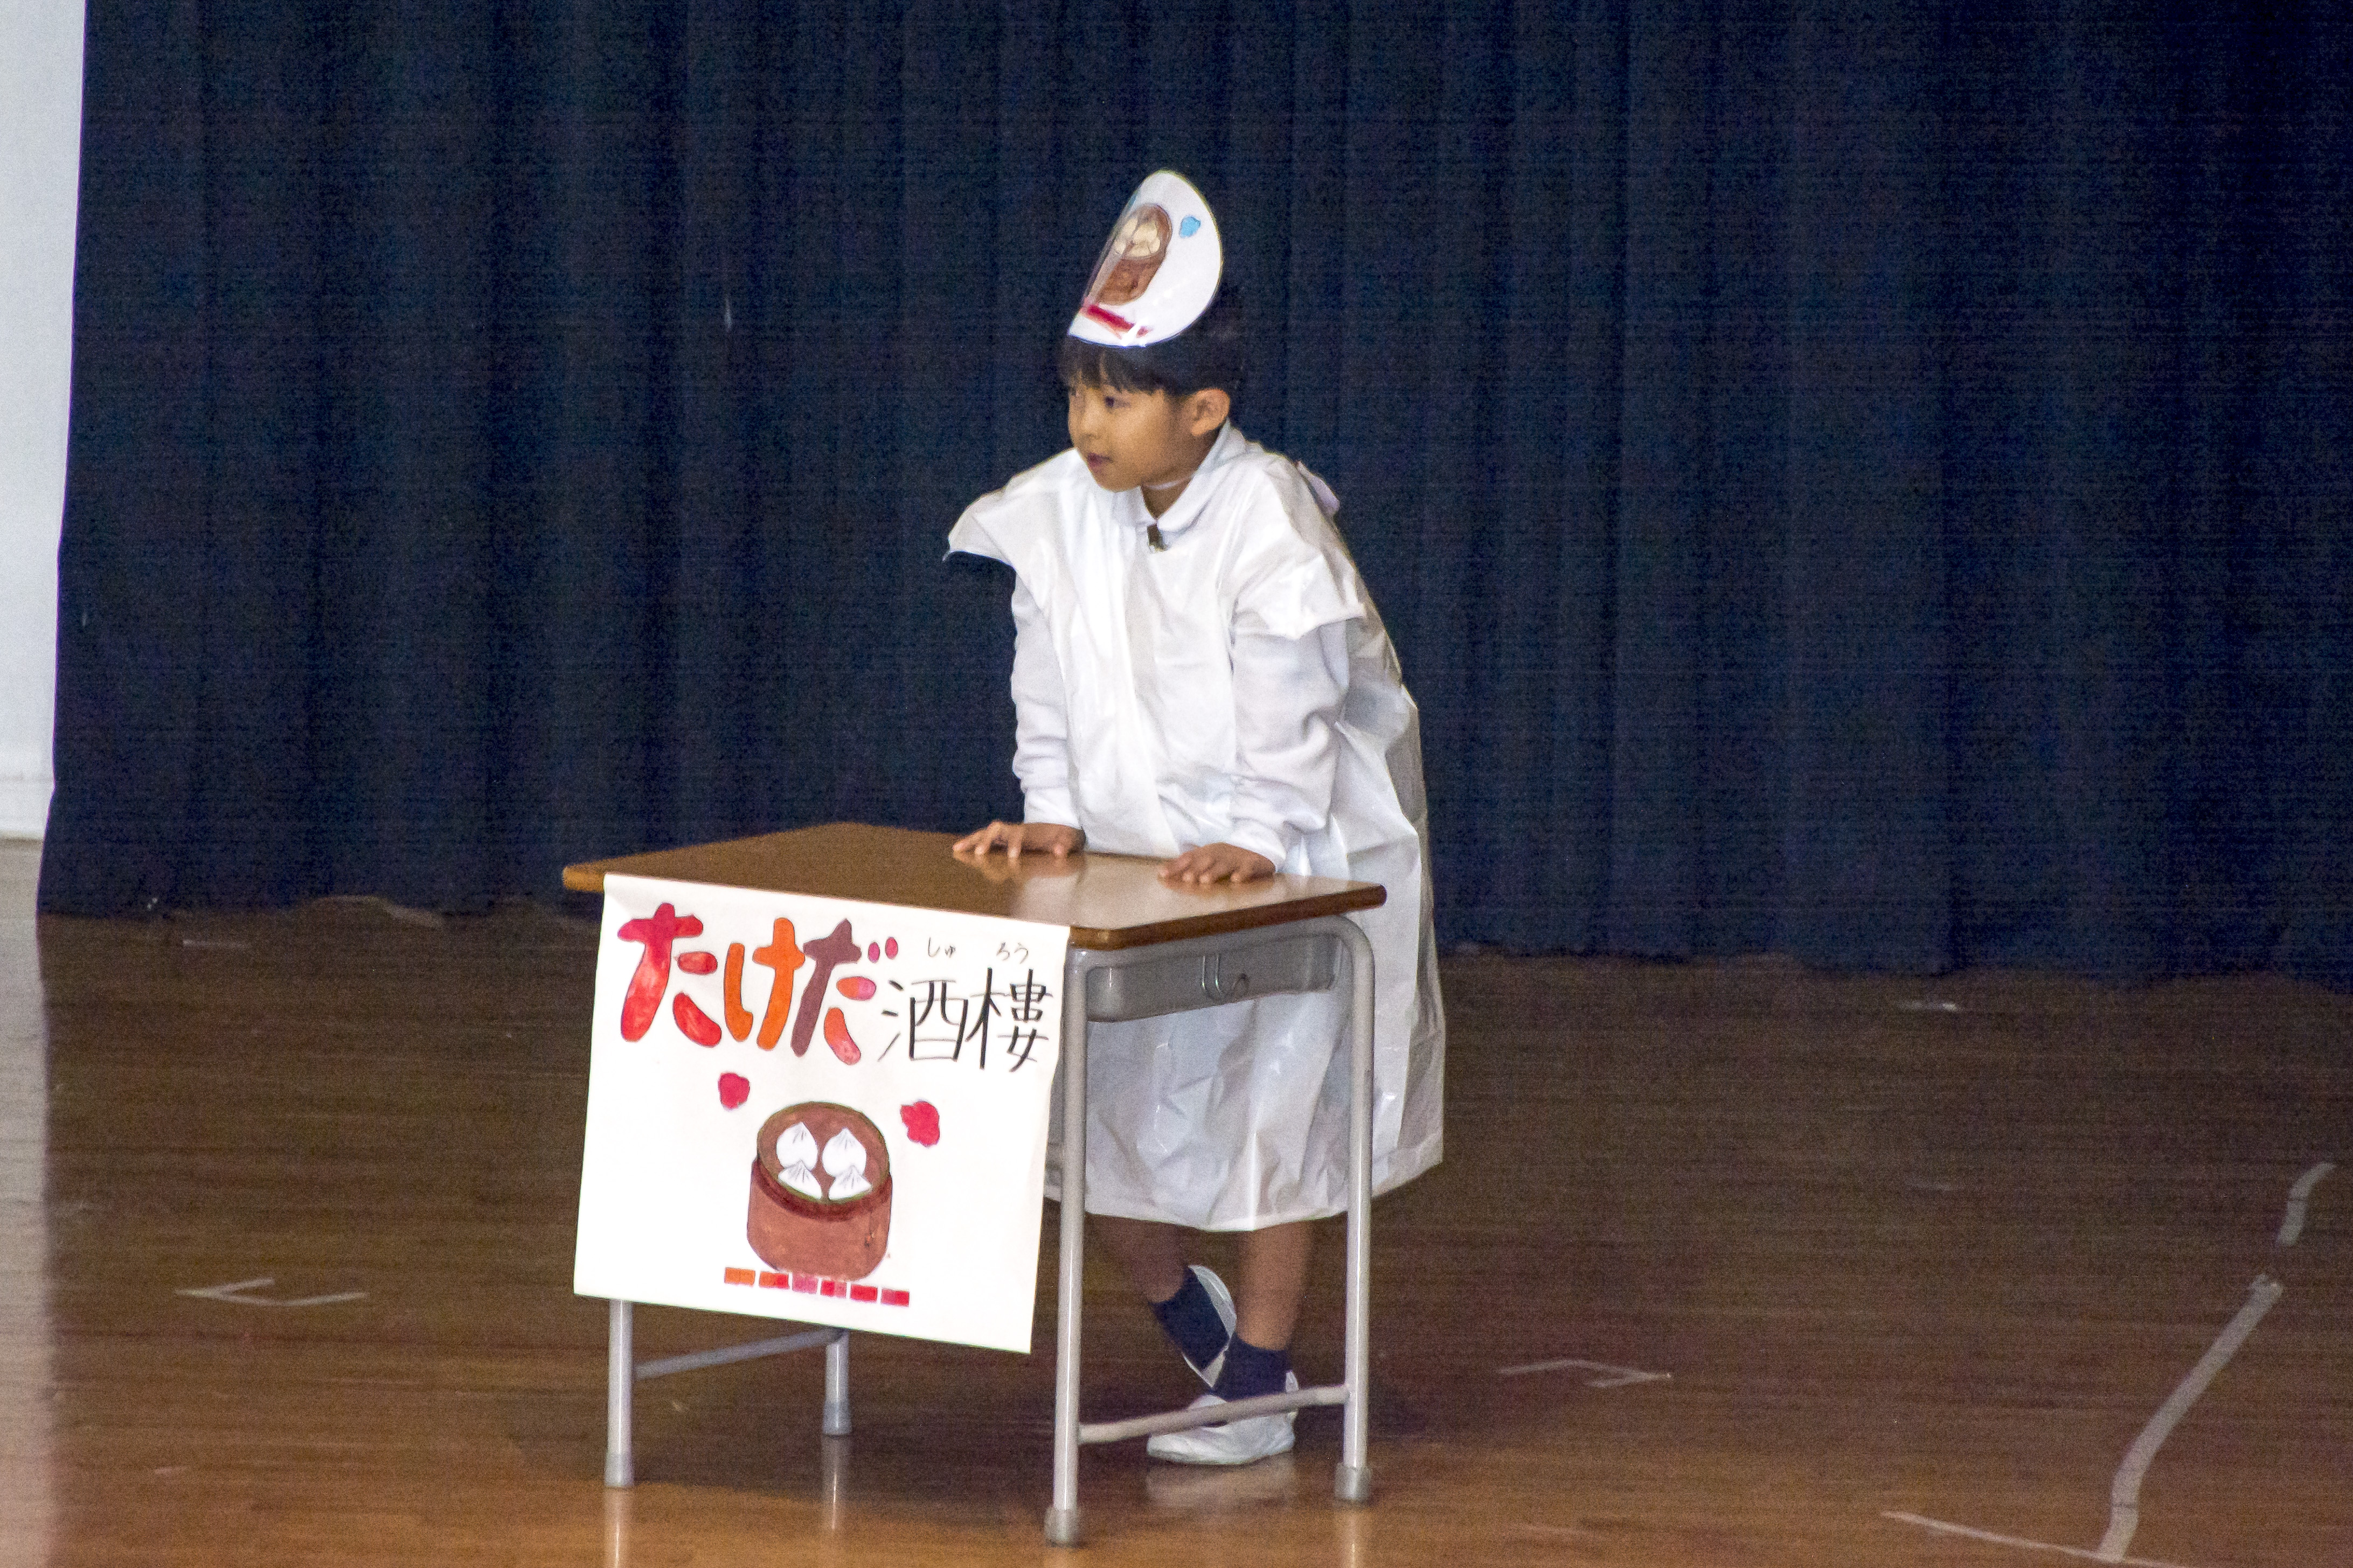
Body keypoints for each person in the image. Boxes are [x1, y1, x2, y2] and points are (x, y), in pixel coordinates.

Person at [949, 170, 1444, 1466]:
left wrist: (1266, 839)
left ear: (1203, 411)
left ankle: (1261, 1383)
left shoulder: (1270, 520)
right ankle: (1193, 1318)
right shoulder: (1062, 504)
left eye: (1116, 399)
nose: (1087, 422)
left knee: (1275, 1115)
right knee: (1091, 1116)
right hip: (1135, 864)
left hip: (1294, 857)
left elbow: (1296, 702)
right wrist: (1052, 812)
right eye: (1077, 392)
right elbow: (1046, 670)